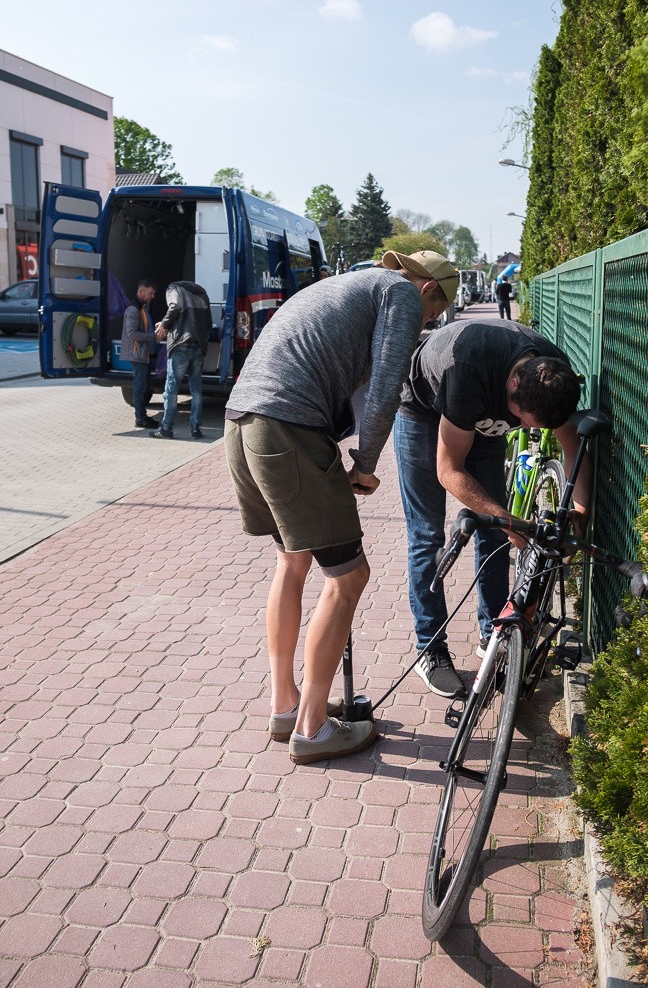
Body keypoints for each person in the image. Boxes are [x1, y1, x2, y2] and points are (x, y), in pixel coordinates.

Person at [224, 249, 457, 764]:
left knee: (293, 559)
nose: (426, 324)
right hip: (289, 427)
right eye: (431, 317)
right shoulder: (398, 294)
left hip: (242, 421)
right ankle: (312, 730)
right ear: (427, 291)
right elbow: (386, 388)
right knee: (348, 577)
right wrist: (366, 463)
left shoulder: (348, 285)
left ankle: (286, 705)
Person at [393, 319, 591, 698]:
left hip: (479, 413)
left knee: (495, 532)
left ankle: (493, 633)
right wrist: (509, 521)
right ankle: (430, 649)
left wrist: (580, 514)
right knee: (428, 533)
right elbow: (448, 471)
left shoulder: (553, 375)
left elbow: (572, 449)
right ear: (513, 385)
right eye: (518, 419)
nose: (517, 427)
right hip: (423, 409)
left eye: (526, 425)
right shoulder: (468, 368)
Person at [151, 281, 212, 440]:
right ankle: (195, 429)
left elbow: (176, 306)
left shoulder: (174, 288)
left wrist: (164, 324)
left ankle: (166, 428)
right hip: (198, 346)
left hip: (180, 345)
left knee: (171, 390)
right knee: (196, 389)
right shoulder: (202, 293)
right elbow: (208, 323)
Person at [120, 279, 158, 429]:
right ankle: (140, 418)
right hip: (138, 354)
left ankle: (142, 416)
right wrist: (153, 336)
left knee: (143, 386)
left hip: (144, 354)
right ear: (141, 292)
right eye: (150, 293)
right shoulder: (133, 310)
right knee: (140, 386)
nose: (153, 296)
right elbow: (132, 334)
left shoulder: (143, 308)